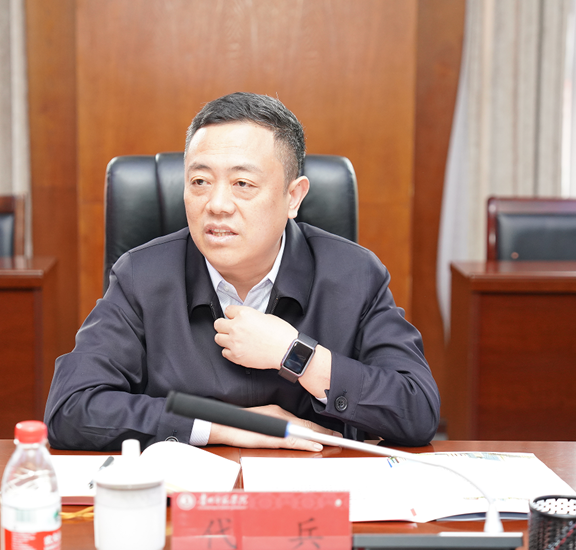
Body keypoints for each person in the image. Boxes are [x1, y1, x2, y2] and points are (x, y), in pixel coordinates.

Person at [44, 92, 440, 451]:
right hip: (189, 496)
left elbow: (418, 410)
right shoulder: (142, 276)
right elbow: (70, 407)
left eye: (243, 183)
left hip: (315, 492)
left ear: (293, 197)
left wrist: (296, 355)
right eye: (200, 181)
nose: (217, 204)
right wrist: (227, 424)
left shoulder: (354, 274)